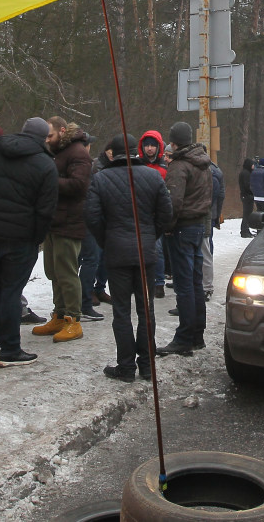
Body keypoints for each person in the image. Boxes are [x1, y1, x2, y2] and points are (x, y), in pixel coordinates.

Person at [0, 117, 59, 367]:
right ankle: (11, 349)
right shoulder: (45, 164)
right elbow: (46, 209)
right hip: (21, 238)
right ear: (41, 138)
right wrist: (36, 238)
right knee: (11, 291)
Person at [85, 133, 173, 382]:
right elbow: (166, 214)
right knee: (146, 311)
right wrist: (149, 235)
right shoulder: (154, 176)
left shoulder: (101, 178)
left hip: (117, 255)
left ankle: (126, 367)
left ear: (113, 153)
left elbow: (92, 217)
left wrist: (108, 240)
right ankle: (147, 366)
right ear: (136, 151)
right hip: (145, 254)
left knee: (122, 312)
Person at [29, 116, 93, 340]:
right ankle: (59, 314)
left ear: (62, 131)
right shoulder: (56, 152)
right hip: (54, 221)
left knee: (67, 273)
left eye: (50, 135)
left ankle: (74, 320)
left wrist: (48, 180)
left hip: (70, 221)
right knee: (53, 272)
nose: (47, 140)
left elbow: (79, 185)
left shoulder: (77, 153)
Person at [158, 121, 212, 357]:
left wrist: (167, 227)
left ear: (173, 141)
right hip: (198, 227)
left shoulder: (179, 166)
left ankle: (184, 338)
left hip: (182, 229)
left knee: (184, 286)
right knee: (195, 283)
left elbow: (173, 203)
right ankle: (197, 335)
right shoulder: (203, 164)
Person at [79, 139, 113, 321]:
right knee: (91, 258)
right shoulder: (92, 166)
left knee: (102, 257)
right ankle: (85, 296)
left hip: (104, 218)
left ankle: (98, 289)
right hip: (91, 218)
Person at [138, 130, 169, 298]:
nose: (150, 149)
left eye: (153, 145)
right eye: (147, 145)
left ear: (158, 147)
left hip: (156, 215)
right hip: (140, 213)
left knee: (157, 249)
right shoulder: (137, 165)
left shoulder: (164, 168)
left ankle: (158, 282)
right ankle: (142, 282)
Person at [204, 160, 225, 301]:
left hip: (206, 216)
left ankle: (206, 285)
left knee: (205, 249)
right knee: (206, 247)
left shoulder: (212, 174)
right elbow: (220, 195)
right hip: (210, 214)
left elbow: (217, 194)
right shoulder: (216, 171)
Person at [238, 157, 255, 237]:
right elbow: (247, 185)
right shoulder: (246, 173)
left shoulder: (244, 172)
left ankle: (245, 230)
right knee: (247, 214)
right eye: (252, 165)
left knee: (247, 214)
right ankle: (244, 231)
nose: (253, 166)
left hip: (245, 195)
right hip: (247, 196)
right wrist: (253, 192)